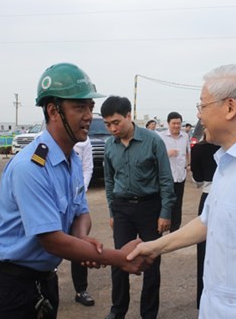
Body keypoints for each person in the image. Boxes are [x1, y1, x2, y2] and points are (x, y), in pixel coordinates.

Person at [128, 64, 236, 318]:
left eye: (202, 105)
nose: (199, 115)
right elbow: (207, 222)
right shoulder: (226, 162)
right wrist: (154, 247)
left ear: (230, 107)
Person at [0, 63, 152, 319]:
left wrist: (81, 238)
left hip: (44, 282)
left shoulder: (69, 159)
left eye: (90, 108)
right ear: (53, 111)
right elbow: (51, 240)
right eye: (79, 107)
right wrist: (120, 258)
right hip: (11, 287)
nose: (88, 116)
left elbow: (82, 212)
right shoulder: (31, 166)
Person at [101, 96, 176, 319]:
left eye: (116, 122)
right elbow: (109, 181)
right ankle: (118, 310)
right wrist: (112, 211)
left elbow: (165, 178)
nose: (112, 128)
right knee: (119, 260)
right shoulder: (109, 145)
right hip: (122, 208)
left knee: (151, 262)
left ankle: (149, 313)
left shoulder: (152, 141)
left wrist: (165, 212)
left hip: (149, 208)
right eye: (107, 124)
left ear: (128, 116)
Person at [190, 130, 219, 309]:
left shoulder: (198, 149)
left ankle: (203, 296)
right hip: (228, 194)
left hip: (207, 196)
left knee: (204, 249)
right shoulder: (228, 145)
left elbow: (197, 179)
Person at [70, 100, 96, 307]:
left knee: (80, 243)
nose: (87, 117)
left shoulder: (84, 143)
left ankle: (81, 290)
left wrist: (81, 189)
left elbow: (87, 168)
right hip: (57, 203)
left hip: (77, 198)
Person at [159, 111, 190, 232]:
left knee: (178, 204)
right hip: (167, 177)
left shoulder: (185, 136)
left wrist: (188, 165)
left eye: (179, 123)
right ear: (168, 123)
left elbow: (188, 152)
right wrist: (167, 153)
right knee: (165, 203)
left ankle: (175, 229)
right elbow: (155, 155)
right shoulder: (161, 137)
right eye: (174, 123)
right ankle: (162, 226)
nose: (176, 126)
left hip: (180, 176)